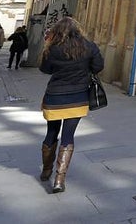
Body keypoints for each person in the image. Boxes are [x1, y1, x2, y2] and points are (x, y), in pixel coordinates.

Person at [38, 16, 104, 193]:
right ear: (78, 30)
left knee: (51, 132)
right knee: (68, 137)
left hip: (55, 97)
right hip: (78, 97)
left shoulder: (52, 48)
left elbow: (45, 69)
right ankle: (59, 180)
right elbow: (98, 67)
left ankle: (46, 170)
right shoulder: (88, 46)